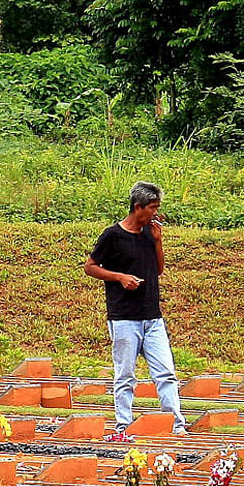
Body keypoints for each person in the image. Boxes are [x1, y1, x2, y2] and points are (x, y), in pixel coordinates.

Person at [83, 181, 187, 440]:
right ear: (137, 207)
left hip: (152, 317)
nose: (156, 213)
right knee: (126, 375)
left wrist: (158, 242)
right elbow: (91, 266)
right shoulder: (113, 235)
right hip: (124, 318)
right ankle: (123, 427)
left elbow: (158, 270)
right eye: (152, 207)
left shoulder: (150, 234)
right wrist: (119, 277)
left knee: (166, 373)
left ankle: (175, 423)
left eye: (157, 207)